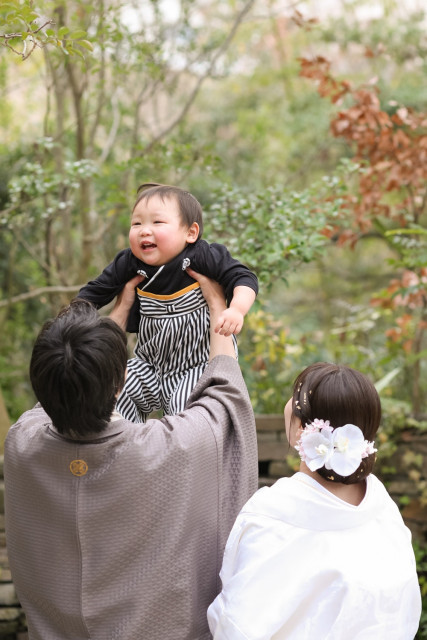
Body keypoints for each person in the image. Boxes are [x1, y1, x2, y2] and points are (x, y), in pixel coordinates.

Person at [4, 271, 259, 640]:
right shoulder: (170, 446)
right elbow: (224, 396)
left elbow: (66, 382)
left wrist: (120, 311)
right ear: (124, 377)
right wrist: (219, 306)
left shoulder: (22, 443)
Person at [208, 362, 422, 639]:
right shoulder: (384, 511)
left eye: (294, 399)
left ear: (300, 430)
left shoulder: (272, 514)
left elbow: (236, 624)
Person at [78, 183, 258, 423]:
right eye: (137, 223)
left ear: (190, 233)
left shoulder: (201, 255)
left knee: (184, 408)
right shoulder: (129, 262)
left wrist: (236, 309)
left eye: (157, 222)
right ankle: (126, 450)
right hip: (148, 365)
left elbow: (244, 277)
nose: (144, 231)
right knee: (111, 393)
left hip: (196, 366)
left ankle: (177, 453)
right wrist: (72, 318)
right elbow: (94, 292)